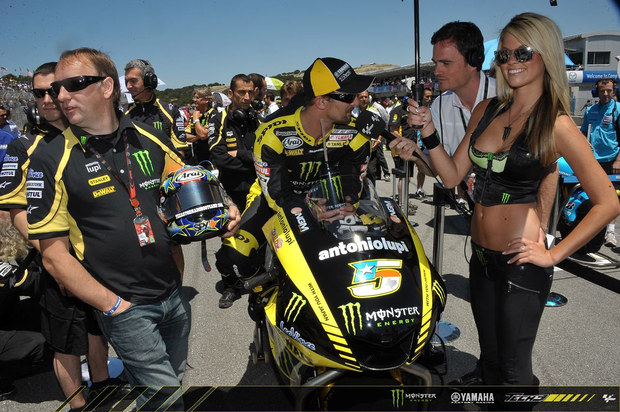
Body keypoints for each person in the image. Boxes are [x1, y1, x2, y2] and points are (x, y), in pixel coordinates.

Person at [391, 12, 620, 389]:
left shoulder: (556, 123)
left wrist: (553, 254)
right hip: (480, 257)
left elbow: (608, 202)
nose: (510, 63)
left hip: (521, 262)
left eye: (522, 54)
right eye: (504, 55)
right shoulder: (488, 109)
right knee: (492, 357)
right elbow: (451, 175)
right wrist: (429, 132)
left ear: (545, 55)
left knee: (514, 375)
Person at [25, 48, 240, 410]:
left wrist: (227, 205)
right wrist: (113, 307)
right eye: (57, 87)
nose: (61, 95)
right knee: (168, 399)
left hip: (172, 294)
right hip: (125, 306)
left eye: (74, 85)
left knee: (162, 390)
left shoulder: (148, 137)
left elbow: (192, 179)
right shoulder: (50, 158)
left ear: (107, 87)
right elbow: (53, 256)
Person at [0, 61, 115, 411]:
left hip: (98, 257)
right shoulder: (23, 147)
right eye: (39, 93)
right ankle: (78, 404)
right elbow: (15, 213)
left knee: (97, 328)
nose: (48, 99)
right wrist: (57, 259)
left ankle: (103, 384)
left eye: (54, 90)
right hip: (54, 260)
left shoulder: (93, 135)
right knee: (66, 341)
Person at [214, 57, 373, 308]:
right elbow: (277, 196)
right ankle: (264, 293)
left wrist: (345, 206)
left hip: (329, 200)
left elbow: (352, 188)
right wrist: (310, 212)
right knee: (234, 258)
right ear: (322, 101)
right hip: (273, 201)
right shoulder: (272, 133)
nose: (357, 101)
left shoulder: (356, 134)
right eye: (349, 96)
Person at [207, 74, 260, 308]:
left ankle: (257, 280)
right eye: (241, 92)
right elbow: (217, 156)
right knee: (229, 239)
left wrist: (242, 155)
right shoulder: (219, 117)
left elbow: (262, 154)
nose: (247, 97)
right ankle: (230, 286)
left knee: (258, 236)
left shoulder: (255, 117)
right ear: (231, 94)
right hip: (230, 190)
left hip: (256, 187)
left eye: (250, 92)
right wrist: (252, 161)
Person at [580, 78, 620, 247]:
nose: (605, 94)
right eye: (602, 91)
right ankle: (593, 230)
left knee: (611, 198)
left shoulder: (617, 110)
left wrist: (618, 160)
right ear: (596, 92)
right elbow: (582, 133)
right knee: (591, 196)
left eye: (609, 91)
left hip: (612, 161)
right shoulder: (590, 110)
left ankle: (610, 232)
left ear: (614, 91)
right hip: (593, 161)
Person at [124, 59, 188, 155]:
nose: (128, 86)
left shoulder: (170, 111)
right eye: (126, 81)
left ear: (149, 81)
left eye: (133, 81)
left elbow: (179, 152)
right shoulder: (122, 114)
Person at [353, 90, 390, 183]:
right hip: (355, 148)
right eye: (361, 97)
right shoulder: (353, 111)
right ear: (357, 98)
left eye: (365, 97)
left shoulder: (374, 112)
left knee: (371, 172)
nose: (364, 99)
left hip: (371, 148)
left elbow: (381, 129)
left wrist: (378, 141)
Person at [185, 86, 214, 165]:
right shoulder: (194, 115)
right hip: (197, 158)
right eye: (194, 98)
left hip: (211, 158)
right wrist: (198, 137)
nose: (194, 100)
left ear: (207, 100)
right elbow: (185, 136)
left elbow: (203, 135)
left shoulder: (213, 114)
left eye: (197, 98)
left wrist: (196, 120)